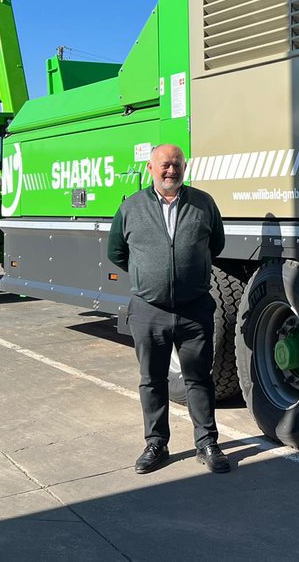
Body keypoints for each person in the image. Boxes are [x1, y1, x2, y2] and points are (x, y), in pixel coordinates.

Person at [107, 143, 230, 474]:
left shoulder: (203, 204)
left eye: (176, 164)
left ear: (184, 168)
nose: (170, 170)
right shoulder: (131, 208)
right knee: (152, 380)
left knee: (199, 378)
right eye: (164, 165)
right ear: (150, 169)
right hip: (149, 310)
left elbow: (215, 244)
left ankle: (207, 443)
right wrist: (150, 278)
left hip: (194, 309)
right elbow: (116, 251)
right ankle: (156, 444)